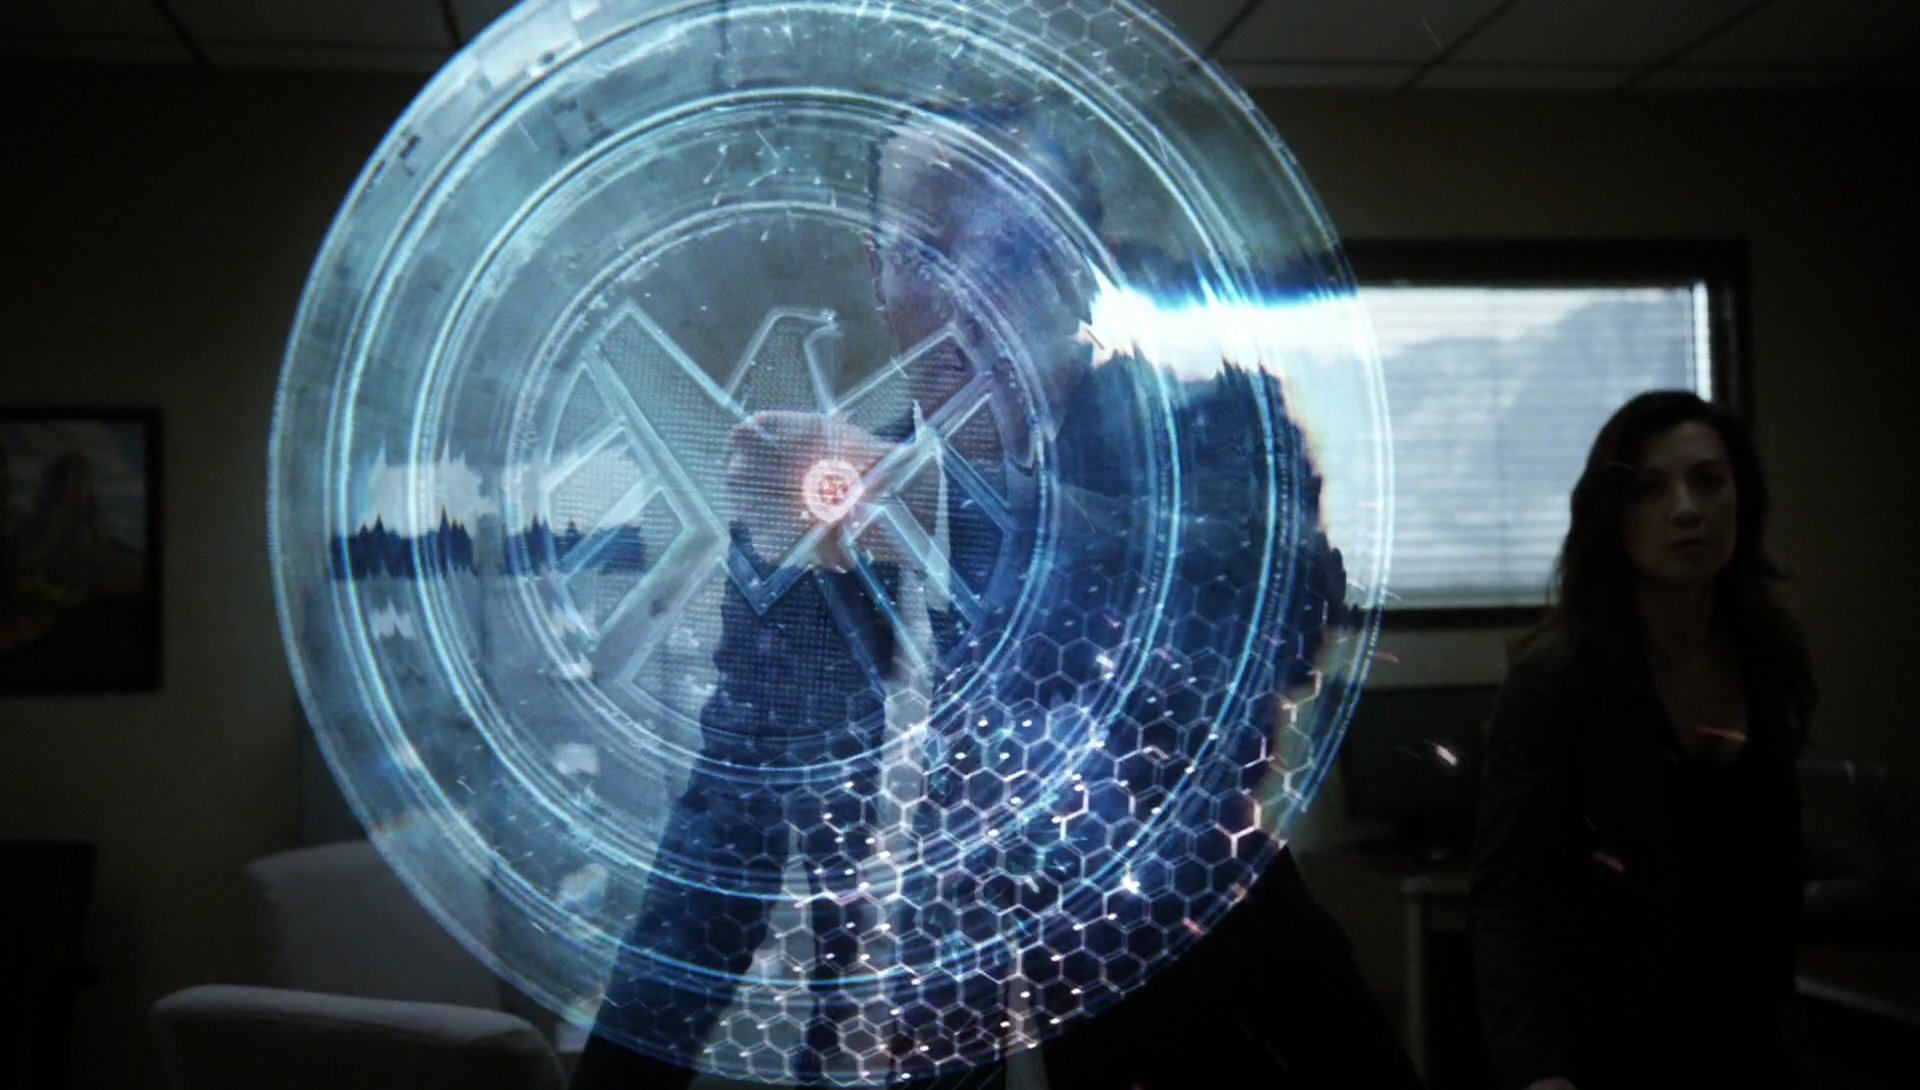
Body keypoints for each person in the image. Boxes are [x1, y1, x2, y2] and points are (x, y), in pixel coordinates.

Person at [574, 94, 1420, 1089]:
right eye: (927, 254)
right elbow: (731, 825)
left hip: (1201, 1037)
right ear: (877, 275)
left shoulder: (1213, 430)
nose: (971, 296)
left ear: (1084, 270)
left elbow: (1265, 592)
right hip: (887, 1048)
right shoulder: (817, 505)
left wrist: (933, 508)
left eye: (1016, 252)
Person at [1472, 391, 1816, 1090]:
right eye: (1651, 490)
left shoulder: (1767, 655)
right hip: (1605, 1036)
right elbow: (1511, 895)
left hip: (1745, 1035)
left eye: (1709, 482)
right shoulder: (1560, 679)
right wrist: (1540, 1073)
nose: (1687, 510)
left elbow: (1773, 859)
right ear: (1613, 513)